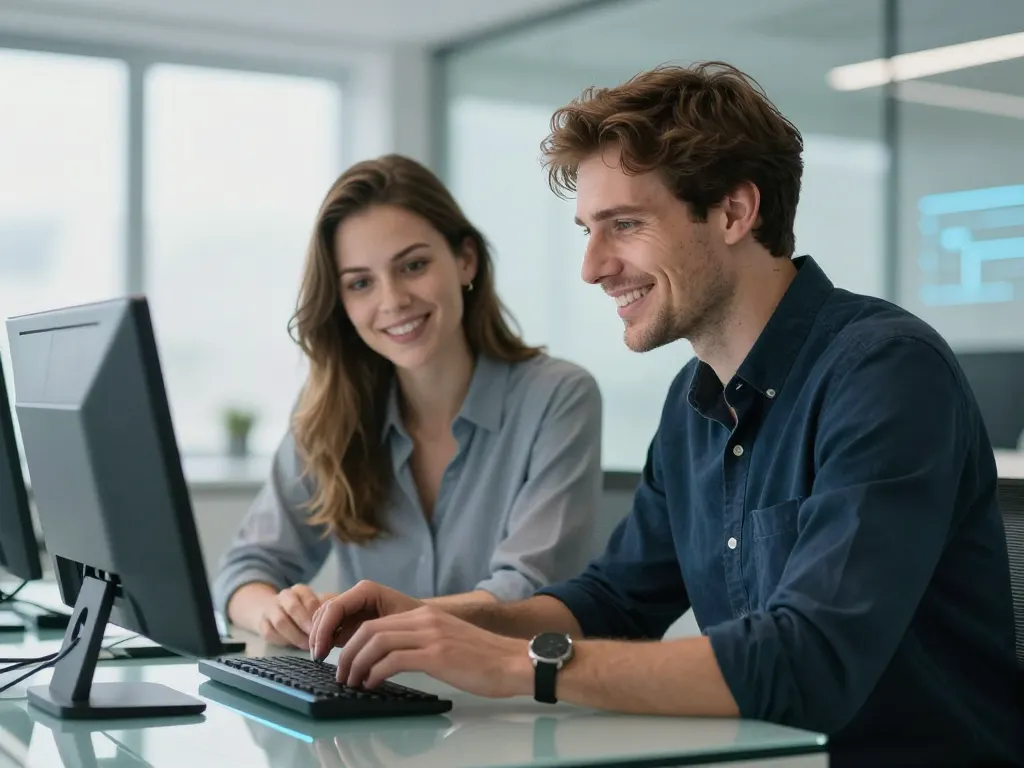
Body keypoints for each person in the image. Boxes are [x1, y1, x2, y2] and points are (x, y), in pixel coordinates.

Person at [309, 64, 1024, 767]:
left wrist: (514, 664)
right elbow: (614, 602)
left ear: (735, 213)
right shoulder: (695, 402)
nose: (592, 267)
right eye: (588, 231)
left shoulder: (885, 372)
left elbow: (810, 660)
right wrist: (436, 621)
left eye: (624, 225)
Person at [214, 154, 603, 651]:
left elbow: (528, 596)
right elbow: (245, 570)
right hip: (366, 694)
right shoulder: (328, 411)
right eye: (360, 283)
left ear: (465, 260)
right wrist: (277, 613)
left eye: (413, 266)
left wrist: (376, 619)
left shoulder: (558, 398)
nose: (393, 300)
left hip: (506, 693)